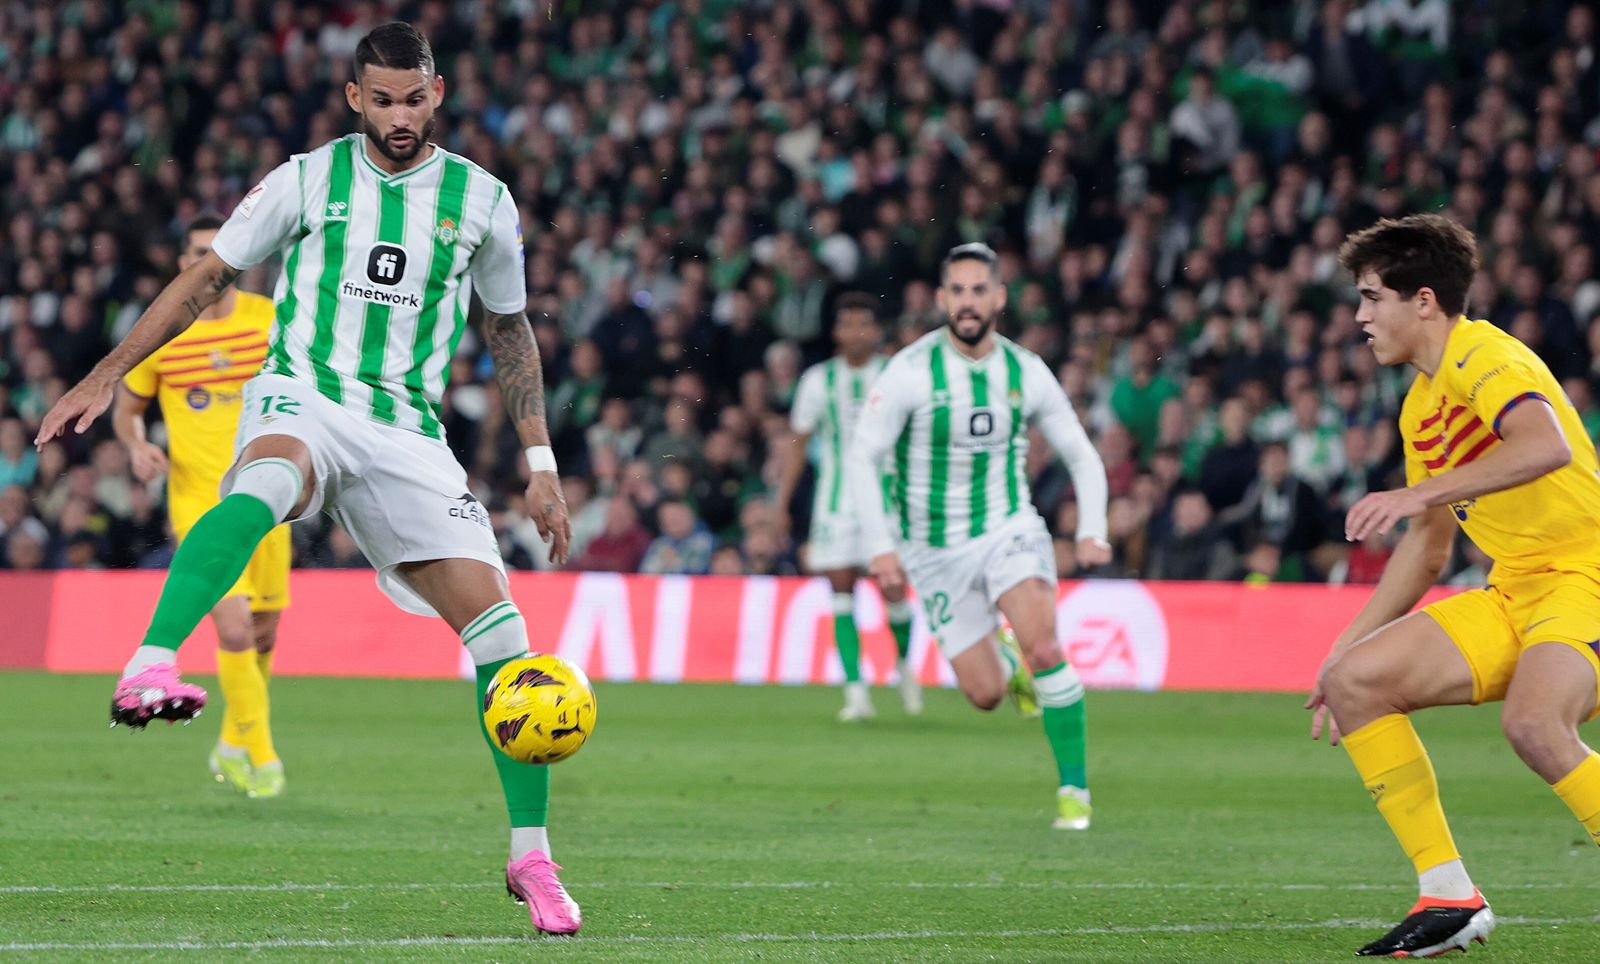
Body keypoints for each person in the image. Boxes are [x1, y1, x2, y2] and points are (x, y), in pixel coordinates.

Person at [35, 23, 582, 935]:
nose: (399, 116)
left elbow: (510, 329)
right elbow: (206, 279)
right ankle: (149, 662)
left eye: (415, 98)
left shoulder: (483, 201)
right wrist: (106, 372)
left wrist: (541, 465)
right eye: (382, 98)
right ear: (353, 97)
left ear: (437, 94)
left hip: (408, 431)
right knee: (263, 489)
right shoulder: (305, 178)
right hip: (304, 395)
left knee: (506, 641)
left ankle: (532, 857)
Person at [1306, 214, 1600, 958]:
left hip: (1588, 572)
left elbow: (1545, 445)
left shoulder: (1482, 355)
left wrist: (1414, 494)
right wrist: (1342, 649)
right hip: (1519, 593)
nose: (1360, 316)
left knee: (1535, 726)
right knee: (1357, 682)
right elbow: (1428, 551)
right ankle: (1448, 894)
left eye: (1373, 297)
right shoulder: (1420, 405)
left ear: (1425, 301)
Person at [847, 243, 1111, 829]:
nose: (968, 303)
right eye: (957, 292)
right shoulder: (911, 371)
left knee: (1048, 647)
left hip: (1007, 526)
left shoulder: (1025, 370)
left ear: (999, 297)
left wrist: (1092, 530)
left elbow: (1082, 456)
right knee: (985, 693)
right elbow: (862, 456)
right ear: (942, 300)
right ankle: (1006, 656)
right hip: (933, 552)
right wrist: (882, 547)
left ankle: (1075, 792)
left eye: (978, 290)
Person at [112, 214, 292, 798]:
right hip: (196, 499)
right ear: (183, 259)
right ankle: (264, 757)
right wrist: (138, 445)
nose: (206, 261)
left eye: (215, 250)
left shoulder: (269, 320)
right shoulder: (166, 331)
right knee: (235, 626)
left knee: (264, 632)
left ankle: (233, 741)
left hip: (269, 493)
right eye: (195, 251)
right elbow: (127, 408)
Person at [774, 293, 919, 722]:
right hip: (835, 504)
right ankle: (855, 690)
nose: (855, 332)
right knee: (840, 591)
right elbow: (798, 444)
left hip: (887, 502)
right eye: (847, 324)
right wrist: (781, 502)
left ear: (876, 331)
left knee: (893, 588)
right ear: (836, 332)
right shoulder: (818, 381)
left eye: (863, 324)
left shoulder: (895, 375)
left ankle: (905, 665)